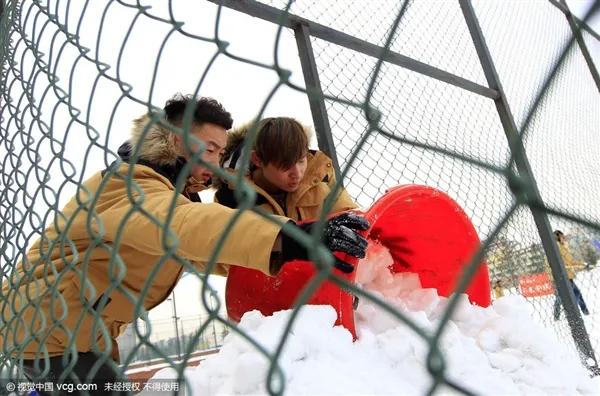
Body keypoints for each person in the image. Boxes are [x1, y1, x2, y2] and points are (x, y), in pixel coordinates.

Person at [0, 95, 370, 395]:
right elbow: (186, 225)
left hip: (68, 326)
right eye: (209, 150)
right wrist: (290, 236)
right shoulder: (130, 186)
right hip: (52, 325)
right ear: (176, 141)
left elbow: (212, 254)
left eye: (220, 152)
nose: (216, 163)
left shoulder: (169, 192)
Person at [213, 117, 358, 221]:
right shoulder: (229, 198)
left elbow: (349, 214)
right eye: (285, 165)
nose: (297, 173)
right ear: (257, 160)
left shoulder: (319, 171)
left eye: (301, 161)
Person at [548, 230, 589, 320]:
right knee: (571, 295)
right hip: (561, 277)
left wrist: (583, 265)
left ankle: (557, 317)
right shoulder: (556, 247)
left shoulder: (563, 248)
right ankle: (585, 312)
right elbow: (551, 263)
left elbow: (570, 263)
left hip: (567, 276)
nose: (564, 238)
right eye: (562, 237)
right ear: (557, 238)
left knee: (562, 297)